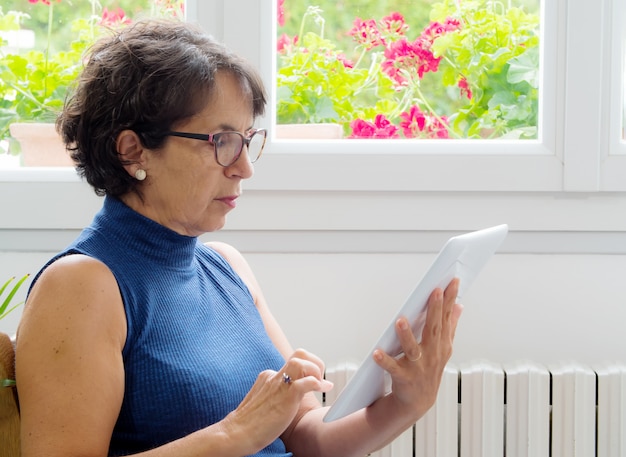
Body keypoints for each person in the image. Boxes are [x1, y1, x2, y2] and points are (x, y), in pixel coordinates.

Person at [15, 19, 462, 457]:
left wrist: (407, 403)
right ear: (133, 150)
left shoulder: (227, 266)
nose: (244, 167)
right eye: (222, 141)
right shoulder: (79, 287)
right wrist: (233, 435)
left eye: (247, 140)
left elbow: (310, 438)